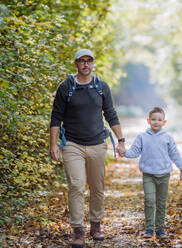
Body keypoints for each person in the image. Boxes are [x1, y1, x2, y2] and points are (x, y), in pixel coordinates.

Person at [49, 49, 126, 248]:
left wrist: (121, 140)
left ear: (93, 63)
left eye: (89, 61)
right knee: (76, 186)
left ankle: (96, 225)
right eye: (81, 61)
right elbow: (56, 117)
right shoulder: (66, 87)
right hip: (72, 144)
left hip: (98, 144)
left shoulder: (101, 87)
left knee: (97, 187)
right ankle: (77, 230)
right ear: (75, 64)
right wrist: (53, 144)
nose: (85, 64)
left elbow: (111, 114)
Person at [124, 107, 182, 238]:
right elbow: (134, 152)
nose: (156, 122)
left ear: (164, 122)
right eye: (153, 119)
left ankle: (160, 229)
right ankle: (149, 228)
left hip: (164, 175)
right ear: (148, 121)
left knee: (161, 202)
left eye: (159, 120)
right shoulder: (142, 137)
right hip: (148, 175)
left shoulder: (167, 137)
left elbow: (175, 154)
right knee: (149, 200)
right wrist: (124, 152)